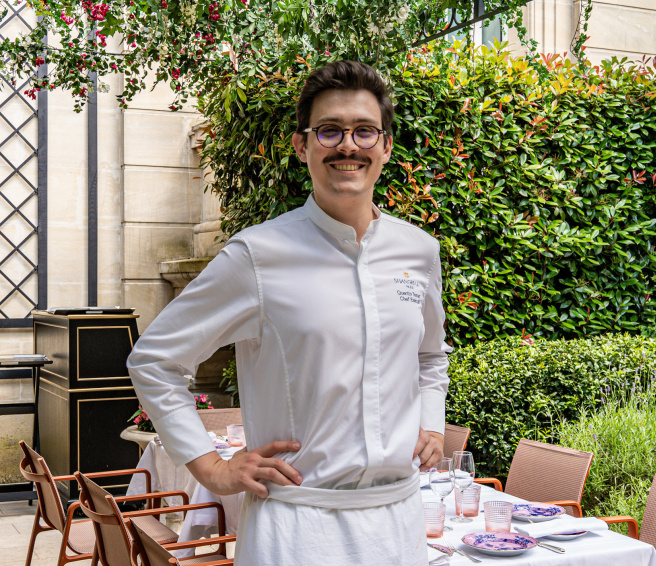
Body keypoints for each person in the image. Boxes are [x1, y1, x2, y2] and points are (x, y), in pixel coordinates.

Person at [127, 60, 451, 565]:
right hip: (298, 529)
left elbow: (431, 356)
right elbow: (155, 360)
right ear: (303, 146)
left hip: (399, 523)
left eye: (365, 131)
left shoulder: (419, 251)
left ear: (386, 146)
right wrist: (212, 469)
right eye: (330, 131)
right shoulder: (257, 256)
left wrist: (431, 423)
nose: (348, 145)